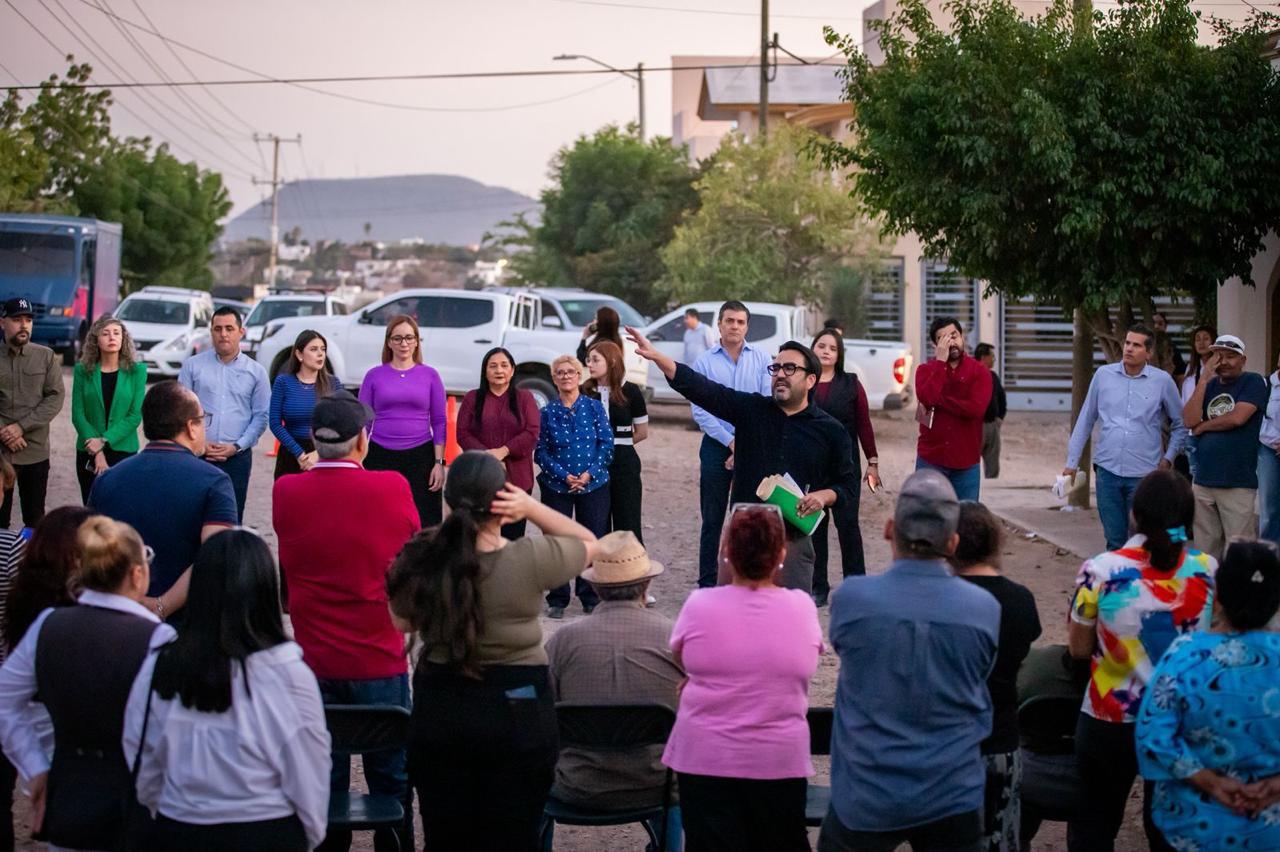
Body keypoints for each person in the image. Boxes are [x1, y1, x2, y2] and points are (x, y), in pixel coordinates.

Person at [386, 451, 603, 852]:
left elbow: (401, 622)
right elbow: (590, 544)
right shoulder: (530, 557)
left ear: (449, 501)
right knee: (515, 836)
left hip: (442, 706)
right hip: (518, 710)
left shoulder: (423, 558)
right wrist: (532, 507)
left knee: (446, 838)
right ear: (503, 502)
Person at [819, 470, 1000, 852]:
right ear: (952, 543)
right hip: (951, 795)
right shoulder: (983, 608)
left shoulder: (852, 599)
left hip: (866, 793)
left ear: (889, 530)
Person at [273, 389, 419, 852]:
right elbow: (411, 546)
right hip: (379, 660)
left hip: (315, 663)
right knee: (392, 781)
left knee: (324, 781)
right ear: (361, 440)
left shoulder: (286, 491)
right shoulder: (392, 486)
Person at [123, 530, 331, 852]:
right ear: (265, 591)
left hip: (180, 826)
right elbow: (308, 768)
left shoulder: (161, 666)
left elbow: (141, 753)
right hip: (267, 828)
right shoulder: (289, 674)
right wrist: (306, 834)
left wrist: (166, 812)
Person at [627, 327, 859, 593]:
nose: (780, 374)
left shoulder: (830, 430)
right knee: (732, 613)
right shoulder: (752, 410)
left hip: (794, 541)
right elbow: (704, 389)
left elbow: (847, 486)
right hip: (743, 537)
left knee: (789, 615)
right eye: (776, 368)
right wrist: (658, 357)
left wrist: (823, 496)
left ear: (811, 380)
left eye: (790, 368)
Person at [0, 516, 173, 851]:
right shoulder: (157, 637)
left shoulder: (49, 624)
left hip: (69, 792)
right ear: (137, 574)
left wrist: (35, 767)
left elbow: (6, 700)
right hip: (133, 801)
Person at [1067, 469, 1215, 851]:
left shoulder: (1100, 571)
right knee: (1168, 832)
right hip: (1180, 718)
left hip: (1109, 716)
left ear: (1135, 514)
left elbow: (1078, 649)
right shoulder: (1208, 571)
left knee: (1094, 825)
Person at [661, 504, 822, 852]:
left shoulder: (700, 605)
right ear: (781, 555)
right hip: (778, 759)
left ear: (727, 553)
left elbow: (682, 658)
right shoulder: (801, 607)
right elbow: (806, 664)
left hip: (705, 758)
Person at [1135, 539, 1280, 851]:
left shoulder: (1186, 655)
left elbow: (1153, 734)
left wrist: (1213, 783)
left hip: (1194, 826)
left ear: (1218, 594)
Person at [545, 530, 684, 851]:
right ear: (646, 585)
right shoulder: (674, 637)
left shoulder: (563, 641)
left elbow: (541, 715)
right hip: (655, 784)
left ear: (595, 587)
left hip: (576, 784)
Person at [88, 380, 238, 624]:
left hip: (114, 617)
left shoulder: (108, 479)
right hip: (186, 623)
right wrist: (162, 605)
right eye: (203, 420)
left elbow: (91, 550)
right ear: (191, 427)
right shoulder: (214, 482)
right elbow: (217, 557)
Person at [949, 501, 1042, 852]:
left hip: (949, 743)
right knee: (1000, 837)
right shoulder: (1020, 601)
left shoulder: (943, 601)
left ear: (951, 543)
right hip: (1000, 738)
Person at [1063, 324, 1188, 551]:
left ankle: (1139, 574)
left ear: (1149, 352)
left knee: (1141, 539)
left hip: (1144, 474)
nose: (1129, 348)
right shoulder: (1103, 375)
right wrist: (1071, 463)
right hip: (1107, 470)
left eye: (1136, 345)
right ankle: (1117, 574)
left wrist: (1168, 458)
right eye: (1127, 343)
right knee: (1114, 539)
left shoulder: (1162, 381)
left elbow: (1181, 424)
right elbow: (1085, 419)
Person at [688, 301, 771, 588]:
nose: (735, 326)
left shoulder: (762, 359)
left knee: (747, 517)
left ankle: (743, 581)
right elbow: (700, 410)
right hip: (715, 445)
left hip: (753, 446)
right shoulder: (704, 362)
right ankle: (707, 583)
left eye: (740, 322)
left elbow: (765, 404)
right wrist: (730, 441)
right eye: (729, 321)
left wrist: (744, 444)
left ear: (747, 326)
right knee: (712, 519)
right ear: (719, 325)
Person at [536, 354, 613, 618]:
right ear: (554, 379)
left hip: (594, 484)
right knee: (557, 542)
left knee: (591, 539)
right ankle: (558, 598)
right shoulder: (546, 413)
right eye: (560, 373)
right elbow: (541, 451)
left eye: (570, 372)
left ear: (579, 376)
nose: (566, 376)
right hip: (556, 486)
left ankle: (589, 596)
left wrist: (589, 473)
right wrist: (564, 475)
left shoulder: (594, 408)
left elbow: (606, 443)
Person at [178, 304, 271, 522]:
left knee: (231, 517)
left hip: (237, 458)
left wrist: (236, 446)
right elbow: (180, 410)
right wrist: (199, 444)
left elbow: (261, 416)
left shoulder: (256, 372)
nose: (223, 334)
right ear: (211, 331)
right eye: (218, 329)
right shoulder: (192, 366)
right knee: (192, 516)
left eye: (229, 328)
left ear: (241, 332)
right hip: (197, 455)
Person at [1181, 333, 1268, 561]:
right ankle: (1209, 585)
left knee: (1240, 553)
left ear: (1243, 360)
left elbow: (1237, 418)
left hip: (1236, 482)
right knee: (1205, 552)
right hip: (1203, 480)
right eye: (1219, 356)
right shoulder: (1209, 385)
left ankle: (1239, 587)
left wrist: (1203, 427)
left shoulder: (1253, 381)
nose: (1224, 362)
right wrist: (1203, 379)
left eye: (1231, 356)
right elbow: (1189, 420)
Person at [809, 328, 879, 601]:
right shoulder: (804, 381)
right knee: (815, 528)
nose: (826, 351)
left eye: (832, 348)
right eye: (821, 346)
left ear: (839, 355)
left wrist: (872, 461)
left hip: (845, 467)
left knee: (848, 527)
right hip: (812, 465)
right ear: (812, 348)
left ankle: (856, 586)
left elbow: (864, 424)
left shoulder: (851, 383)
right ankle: (818, 588)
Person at [359, 314, 448, 527]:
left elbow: (439, 421)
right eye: (397, 338)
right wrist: (358, 459)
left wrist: (439, 463)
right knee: (379, 520)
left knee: (425, 523)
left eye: (409, 337)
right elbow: (363, 421)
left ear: (416, 341)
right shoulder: (373, 375)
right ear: (389, 342)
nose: (404, 343)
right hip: (380, 455)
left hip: (421, 457)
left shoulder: (430, 375)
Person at [456, 347, 540, 539]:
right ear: (485, 371)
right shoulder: (472, 398)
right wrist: (488, 457)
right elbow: (462, 433)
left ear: (512, 369)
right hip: (481, 479)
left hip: (517, 480)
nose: (499, 370)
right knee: (482, 538)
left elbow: (532, 432)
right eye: (493, 366)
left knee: (513, 540)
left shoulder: (525, 398)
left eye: (504, 365)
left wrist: (503, 451)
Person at [0, 297, 65, 529]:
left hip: (34, 451)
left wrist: (21, 427)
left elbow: (55, 397)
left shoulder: (45, 356)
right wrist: (4, 432)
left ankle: (30, 555)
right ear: (2, 322)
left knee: (34, 521)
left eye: (28, 320)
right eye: (17, 319)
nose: (24, 325)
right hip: (0, 453)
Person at [71, 315, 147, 504]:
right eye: (105, 333)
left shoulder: (137, 371)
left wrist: (104, 440)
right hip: (88, 449)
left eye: (116, 333)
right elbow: (78, 414)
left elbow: (134, 416)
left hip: (123, 452)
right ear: (96, 339)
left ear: (123, 338)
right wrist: (97, 452)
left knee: (121, 507)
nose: (112, 337)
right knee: (91, 507)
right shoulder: (82, 371)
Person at [914, 316, 992, 501]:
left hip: (966, 463)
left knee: (965, 516)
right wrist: (941, 363)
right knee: (927, 515)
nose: (951, 342)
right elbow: (928, 399)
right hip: (931, 460)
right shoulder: (925, 371)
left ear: (962, 336)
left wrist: (941, 401)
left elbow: (975, 409)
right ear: (935, 345)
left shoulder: (980, 372)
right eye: (944, 339)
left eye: (954, 335)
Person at [583, 340, 649, 541]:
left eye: (595, 360)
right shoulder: (585, 392)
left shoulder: (631, 390)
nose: (590, 364)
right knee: (596, 524)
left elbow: (642, 432)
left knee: (627, 524)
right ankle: (597, 562)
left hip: (625, 464)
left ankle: (630, 561)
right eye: (588, 360)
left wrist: (617, 445)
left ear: (611, 361)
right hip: (592, 465)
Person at [270, 329, 344, 478]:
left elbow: (342, 423)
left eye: (323, 349)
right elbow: (275, 423)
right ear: (299, 354)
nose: (320, 354)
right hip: (290, 454)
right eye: (314, 349)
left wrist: (319, 453)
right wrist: (299, 453)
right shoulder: (283, 382)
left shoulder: (333, 384)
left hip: (323, 455)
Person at [974, 343, 1007, 480]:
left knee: (993, 465)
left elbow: (1002, 399)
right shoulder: (972, 375)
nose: (994, 360)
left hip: (992, 425)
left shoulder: (993, 376)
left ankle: (992, 487)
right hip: (975, 426)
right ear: (983, 357)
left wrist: (999, 419)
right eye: (992, 356)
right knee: (970, 463)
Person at [1261, 348, 1280, 546]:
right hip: (1269, 448)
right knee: (1270, 505)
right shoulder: (1266, 384)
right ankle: (1267, 551)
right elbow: (1259, 421)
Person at [1151, 311, 1186, 381]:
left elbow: (1180, 375)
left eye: (1160, 324)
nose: (1156, 326)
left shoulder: (1173, 349)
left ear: (1165, 326)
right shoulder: (1141, 347)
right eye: (1153, 323)